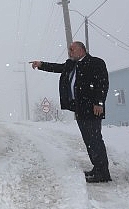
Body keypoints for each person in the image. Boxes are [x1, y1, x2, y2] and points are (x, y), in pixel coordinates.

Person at [30, 41, 112, 183]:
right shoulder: (71, 64)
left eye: (72, 49)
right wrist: (41, 64)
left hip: (92, 108)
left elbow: (102, 84)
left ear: (81, 50)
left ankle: (103, 173)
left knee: (95, 139)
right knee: (88, 140)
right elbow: (57, 67)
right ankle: (97, 168)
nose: (70, 52)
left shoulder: (95, 62)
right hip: (80, 108)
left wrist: (99, 102)